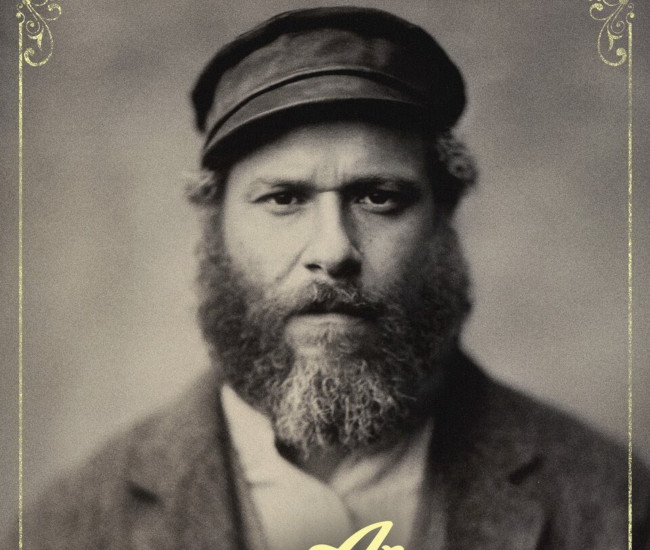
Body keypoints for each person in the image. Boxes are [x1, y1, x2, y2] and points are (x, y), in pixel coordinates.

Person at [6, 6, 650, 550]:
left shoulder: (613, 506)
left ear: (443, 219)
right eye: (284, 198)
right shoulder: (66, 528)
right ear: (214, 228)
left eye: (379, 197)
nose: (334, 249)